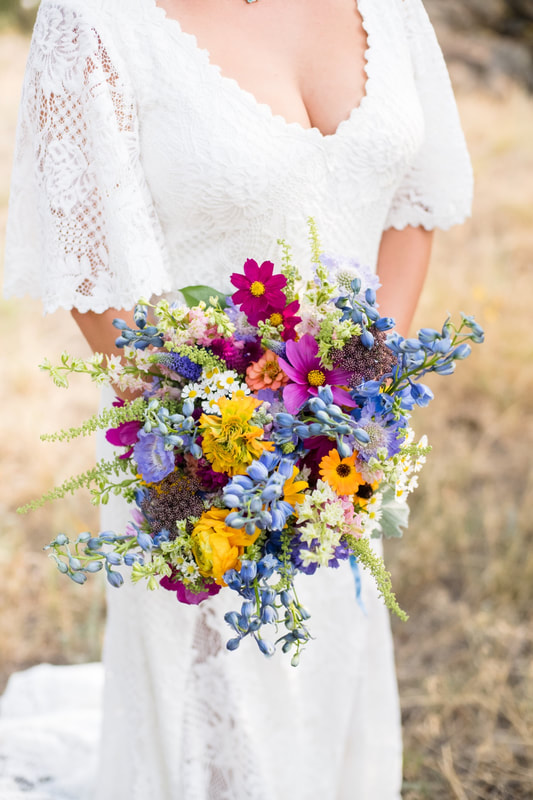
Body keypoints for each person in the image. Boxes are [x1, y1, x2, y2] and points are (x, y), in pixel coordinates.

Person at [1, 0, 473, 797]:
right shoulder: (93, 21)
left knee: (327, 680)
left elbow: (410, 204)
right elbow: (94, 270)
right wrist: (218, 444)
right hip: (197, 461)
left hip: (339, 453)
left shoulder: (391, 10)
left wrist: (356, 406)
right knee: (217, 730)